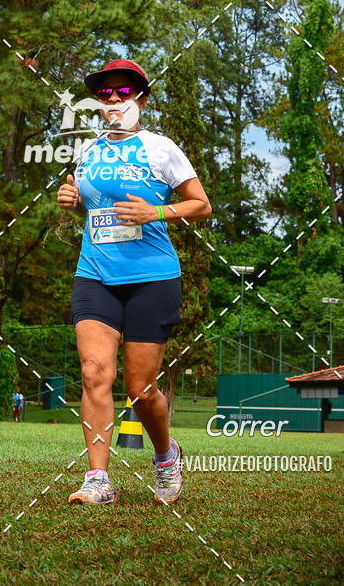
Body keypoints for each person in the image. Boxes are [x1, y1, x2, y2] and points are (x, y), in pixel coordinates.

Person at [57, 60, 212, 506]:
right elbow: (95, 209)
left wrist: (155, 212)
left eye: (122, 93)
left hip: (152, 278)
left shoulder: (161, 149)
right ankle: (98, 480)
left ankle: (166, 455)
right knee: (93, 374)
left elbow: (200, 205)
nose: (113, 101)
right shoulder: (86, 151)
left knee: (141, 391)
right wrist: (72, 202)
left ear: (140, 99)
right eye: (105, 94)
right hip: (96, 274)